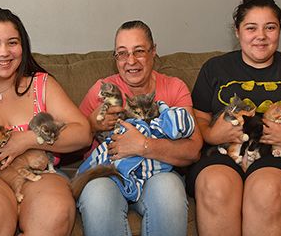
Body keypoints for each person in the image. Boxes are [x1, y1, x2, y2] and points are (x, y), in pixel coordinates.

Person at [0, 8, 92, 236]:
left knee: (55, 211)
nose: (4, 52)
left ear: (23, 47)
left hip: (37, 174)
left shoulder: (43, 85)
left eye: (12, 43)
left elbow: (83, 133)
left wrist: (28, 139)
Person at [186, 0, 281, 236]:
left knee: (267, 190)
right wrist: (212, 134)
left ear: (279, 30)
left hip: (280, 159)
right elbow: (197, 118)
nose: (261, 36)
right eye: (251, 28)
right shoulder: (214, 68)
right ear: (237, 32)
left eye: (270, 27)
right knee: (216, 186)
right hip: (223, 155)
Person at [78, 20, 203, 236]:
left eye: (139, 51)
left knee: (170, 192)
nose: (131, 61)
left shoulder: (174, 87)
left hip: (158, 173)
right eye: (122, 53)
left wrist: (142, 145)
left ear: (153, 51)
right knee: (97, 195)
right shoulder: (102, 90)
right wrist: (91, 124)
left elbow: (193, 150)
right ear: (115, 57)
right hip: (108, 174)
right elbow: (73, 139)